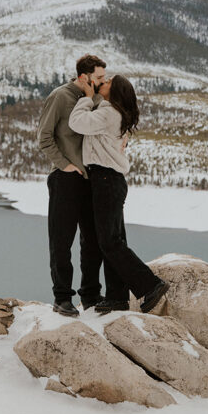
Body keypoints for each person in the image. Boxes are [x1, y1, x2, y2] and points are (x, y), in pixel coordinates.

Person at [68, 74, 168, 314]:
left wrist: (87, 98)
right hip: (108, 181)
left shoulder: (109, 113)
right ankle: (117, 297)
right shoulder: (111, 112)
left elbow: (76, 122)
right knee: (113, 240)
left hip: (106, 180)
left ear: (116, 91)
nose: (103, 82)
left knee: (109, 241)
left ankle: (150, 284)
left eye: (109, 81)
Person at [37, 54, 107, 316]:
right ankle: (62, 298)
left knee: (93, 241)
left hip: (92, 179)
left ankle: (90, 295)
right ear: (83, 77)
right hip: (65, 179)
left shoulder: (97, 99)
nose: (103, 81)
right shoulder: (59, 97)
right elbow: (44, 137)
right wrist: (65, 165)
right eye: (99, 77)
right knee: (61, 240)